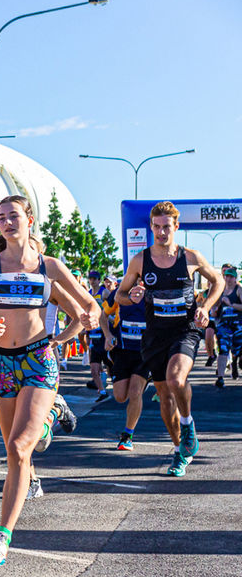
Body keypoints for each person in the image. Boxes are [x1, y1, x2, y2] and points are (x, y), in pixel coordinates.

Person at [0, 195, 96, 567]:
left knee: (19, 448)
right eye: (0, 217)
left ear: (29, 219)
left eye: (13, 216)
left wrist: (75, 330)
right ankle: (49, 418)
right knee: (14, 451)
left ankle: (2, 537)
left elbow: (87, 307)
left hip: (38, 359)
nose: (6, 222)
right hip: (1, 362)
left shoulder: (48, 265)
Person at [115, 201, 223, 476]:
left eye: (166, 227)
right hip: (155, 335)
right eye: (157, 227)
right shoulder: (141, 260)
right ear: (151, 227)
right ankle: (180, 451)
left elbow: (218, 281)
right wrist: (132, 296)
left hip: (185, 330)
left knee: (177, 379)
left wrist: (205, 307)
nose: (161, 232)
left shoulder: (190, 257)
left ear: (177, 227)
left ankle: (187, 425)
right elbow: (120, 295)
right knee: (165, 396)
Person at [101, 275, 150, 451]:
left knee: (135, 391)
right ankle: (111, 367)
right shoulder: (119, 294)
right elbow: (103, 316)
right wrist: (108, 335)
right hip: (122, 351)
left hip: (145, 353)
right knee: (120, 397)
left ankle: (127, 436)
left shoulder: (152, 295)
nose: (139, 281)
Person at [211, 264, 240, 388]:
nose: (228, 279)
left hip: (238, 323)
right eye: (227, 276)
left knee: (238, 349)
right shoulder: (220, 290)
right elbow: (214, 307)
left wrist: (231, 304)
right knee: (223, 349)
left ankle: (234, 363)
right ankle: (220, 378)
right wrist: (214, 310)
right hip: (224, 324)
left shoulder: (239, 290)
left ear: (235, 279)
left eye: (231, 277)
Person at [84, 271, 111, 398]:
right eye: (90, 278)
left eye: (95, 279)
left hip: (104, 332)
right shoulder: (88, 294)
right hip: (93, 332)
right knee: (94, 368)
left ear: (99, 280)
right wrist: (87, 334)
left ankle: (116, 384)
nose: (92, 281)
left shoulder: (104, 292)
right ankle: (102, 391)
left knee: (110, 365)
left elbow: (113, 307)